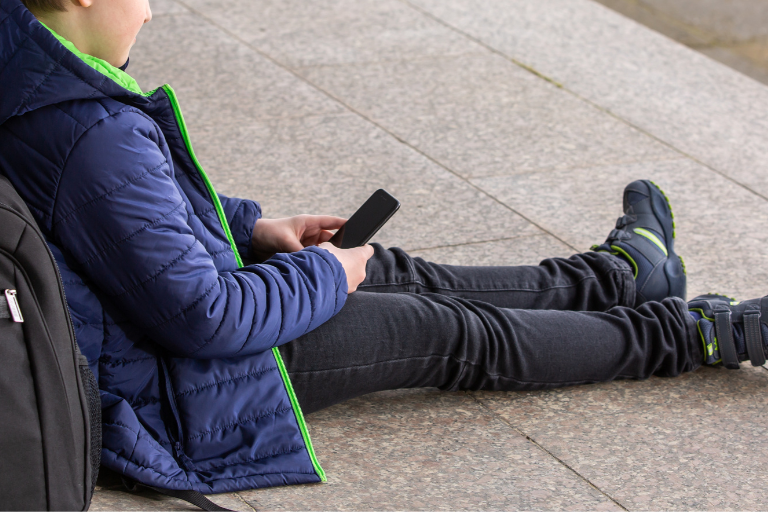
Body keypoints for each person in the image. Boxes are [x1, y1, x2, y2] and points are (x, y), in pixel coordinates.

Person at [0, 0, 764, 496]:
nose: (156, 12)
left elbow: (124, 214)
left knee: (383, 267)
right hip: (179, 385)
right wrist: (322, 277)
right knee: (447, 333)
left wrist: (254, 228)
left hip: (135, 328)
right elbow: (205, 320)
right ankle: (695, 333)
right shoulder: (90, 132)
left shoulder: (28, 60)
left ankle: (615, 278)